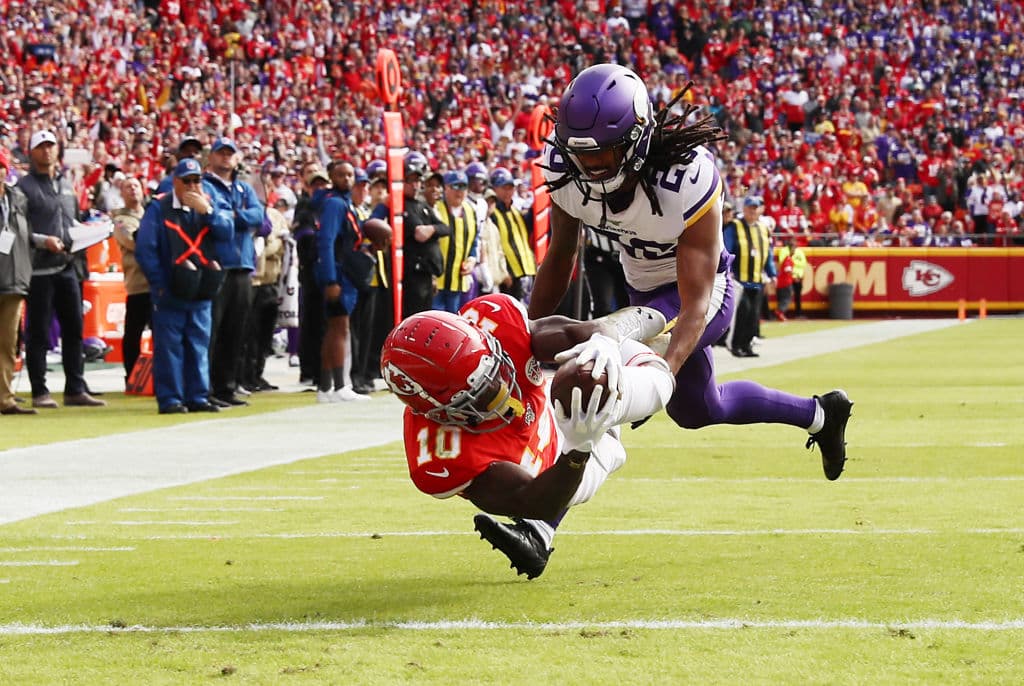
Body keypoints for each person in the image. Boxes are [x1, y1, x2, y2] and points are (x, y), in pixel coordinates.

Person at [530, 64, 853, 480]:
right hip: (642, 288)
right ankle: (821, 414)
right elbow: (560, 256)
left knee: (599, 369)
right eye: (580, 155)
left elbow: (694, 303)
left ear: (637, 139)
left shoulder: (686, 178)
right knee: (698, 410)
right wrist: (526, 334)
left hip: (702, 292)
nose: (590, 167)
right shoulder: (563, 168)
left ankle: (537, 514)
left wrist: (661, 372)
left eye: (602, 154)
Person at [381, 292, 672, 578]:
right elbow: (538, 503)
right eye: (481, 395)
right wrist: (578, 447)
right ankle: (648, 358)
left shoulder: (494, 321)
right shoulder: (443, 455)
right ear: (435, 410)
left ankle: (647, 338)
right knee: (591, 396)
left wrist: (603, 340)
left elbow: (577, 333)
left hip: (550, 404)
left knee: (590, 373)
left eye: (495, 370)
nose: (502, 390)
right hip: (548, 468)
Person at [134, 158, 232, 414]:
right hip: (171, 289)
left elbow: (227, 232)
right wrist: (159, 284)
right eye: (186, 181)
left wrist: (208, 212)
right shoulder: (159, 207)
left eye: (196, 180)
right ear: (175, 181)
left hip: (202, 287)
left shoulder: (208, 203)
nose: (191, 186)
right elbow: (146, 249)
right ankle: (171, 399)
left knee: (198, 344)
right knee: (170, 347)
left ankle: (197, 396)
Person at [17, 130, 105, 408]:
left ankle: (75, 388)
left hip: (68, 265)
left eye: (51, 146)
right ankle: (39, 390)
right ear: (31, 152)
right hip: (39, 269)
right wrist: (43, 241)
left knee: (74, 329)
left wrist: (89, 231)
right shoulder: (23, 187)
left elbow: (72, 221)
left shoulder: (67, 185)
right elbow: (19, 229)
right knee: (38, 332)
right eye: (41, 146)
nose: (47, 151)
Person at [203, 138, 265, 407]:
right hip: (219, 264)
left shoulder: (243, 187)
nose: (226, 157)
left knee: (235, 330)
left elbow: (259, 217)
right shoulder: (206, 186)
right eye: (221, 153)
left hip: (242, 265)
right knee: (213, 330)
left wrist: (233, 216)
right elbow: (215, 218)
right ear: (211, 157)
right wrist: (240, 216)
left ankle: (226, 387)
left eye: (230, 153)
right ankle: (206, 389)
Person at [312, 160, 370, 403]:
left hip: (341, 271)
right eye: (341, 175)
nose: (346, 179)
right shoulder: (335, 203)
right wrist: (330, 279)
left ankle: (325, 387)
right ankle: (339, 386)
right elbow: (326, 241)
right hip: (338, 272)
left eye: (350, 175)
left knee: (334, 328)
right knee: (340, 328)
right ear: (331, 177)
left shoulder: (342, 202)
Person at [0, 147, 37, 415]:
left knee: (7, 344)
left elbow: (26, 236)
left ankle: (5, 398)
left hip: (12, 281)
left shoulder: (18, 199)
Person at [723, 196, 776, 357]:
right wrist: (727, 270)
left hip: (756, 280)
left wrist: (772, 274)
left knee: (753, 315)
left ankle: (747, 345)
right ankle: (735, 345)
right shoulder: (734, 227)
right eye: (750, 208)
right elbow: (726, 249)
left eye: (755, 208)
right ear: (744, 209)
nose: (752, 211)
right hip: (739, 280)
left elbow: (768, 254)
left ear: (759, 210)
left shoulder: (763, 228)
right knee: (742, 313)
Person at [400, 152, 449, 317]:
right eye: (410, 180)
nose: (415, 185)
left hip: (427, 272)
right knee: (413, 318)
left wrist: (432, 229)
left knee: (425, 316)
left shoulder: (422, 205)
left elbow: (446, 228)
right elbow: (419, 233)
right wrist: (434, 229)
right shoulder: (402, 205)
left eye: (418, 180)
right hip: (412, 273)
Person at [111, 177, 150, 383]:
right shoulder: (120, 220)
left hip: (157, 282)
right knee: (133, 332)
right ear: (122, 193)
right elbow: (135, 242)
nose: (133, 189)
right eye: (128, 187)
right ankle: (132, 375)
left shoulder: (150, 214)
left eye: (136, 186)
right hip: (138, 283)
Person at [432, 170, 479, 313]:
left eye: (463, 187)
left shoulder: (471, 211)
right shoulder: (435, 208)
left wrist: (471, 260)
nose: (459, 191)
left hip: (458, 280)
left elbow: (474, 241)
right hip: (436, 280)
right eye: (455, 186)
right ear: (445, 188)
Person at [489, 167, 536, 303]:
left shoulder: (515, 211)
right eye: (504, 188)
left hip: (525, 270)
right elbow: (492, 247)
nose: (508, 191)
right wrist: (503, 272)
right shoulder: (492, 214)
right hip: (508, 275)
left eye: (510, 187)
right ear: (494, 189)